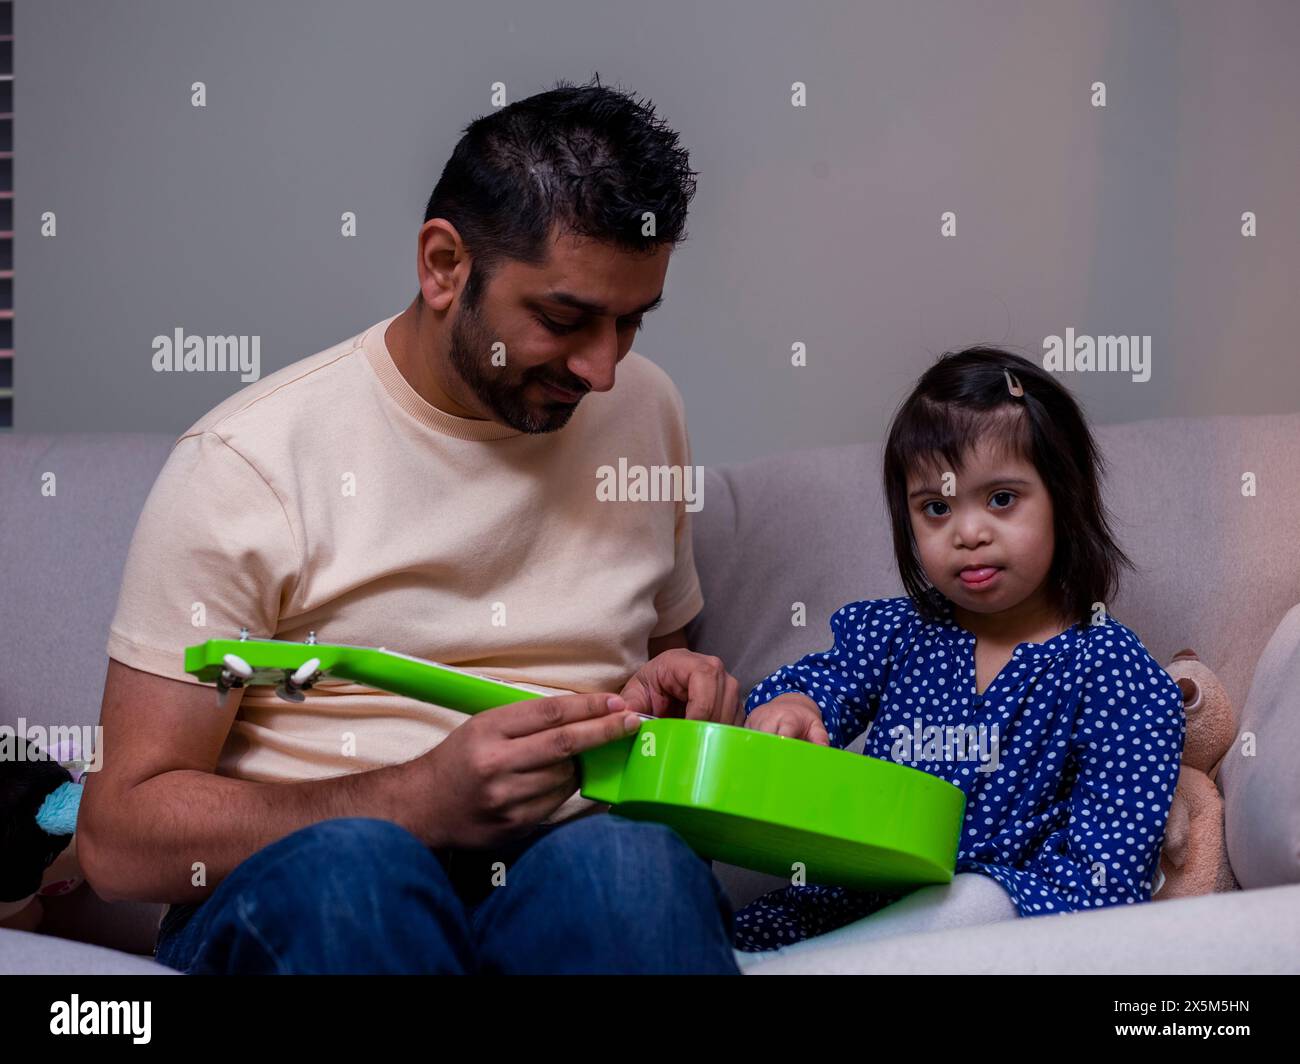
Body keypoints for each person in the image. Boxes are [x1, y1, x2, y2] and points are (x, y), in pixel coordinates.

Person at [80, 77, 743, 975]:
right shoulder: (249, 463)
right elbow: (119, 838)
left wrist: (679, 698)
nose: (603, 371)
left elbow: (657, 681)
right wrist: (414, 799)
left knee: (633, 874)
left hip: (569, 874)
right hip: (314, 881)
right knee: (360, 875)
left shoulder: (647, 410)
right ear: (443, 266)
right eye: (564, 318)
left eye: (629, 323)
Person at [733, 348, 1185, 958]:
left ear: (1065, 499)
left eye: (1001, 499)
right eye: (937, 508)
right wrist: (793, 704)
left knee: (977, 900)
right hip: (857, 898)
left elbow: (1105, 877)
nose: (967, 534)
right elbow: (823, 686)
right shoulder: (898, 632)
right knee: (736, 930)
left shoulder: (1114, 671)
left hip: (1003, 923)